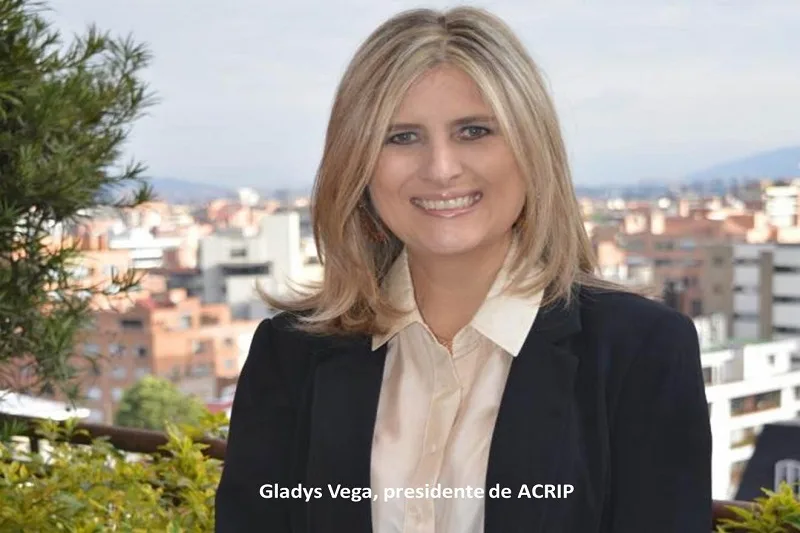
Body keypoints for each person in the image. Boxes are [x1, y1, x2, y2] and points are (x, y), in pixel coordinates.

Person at [215, 6, 712, 533]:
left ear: (531, 148)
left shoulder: (641, 351)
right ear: (358, 164)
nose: (441, 169)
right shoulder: (290, 354)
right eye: (401, 137)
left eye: (474, 131)